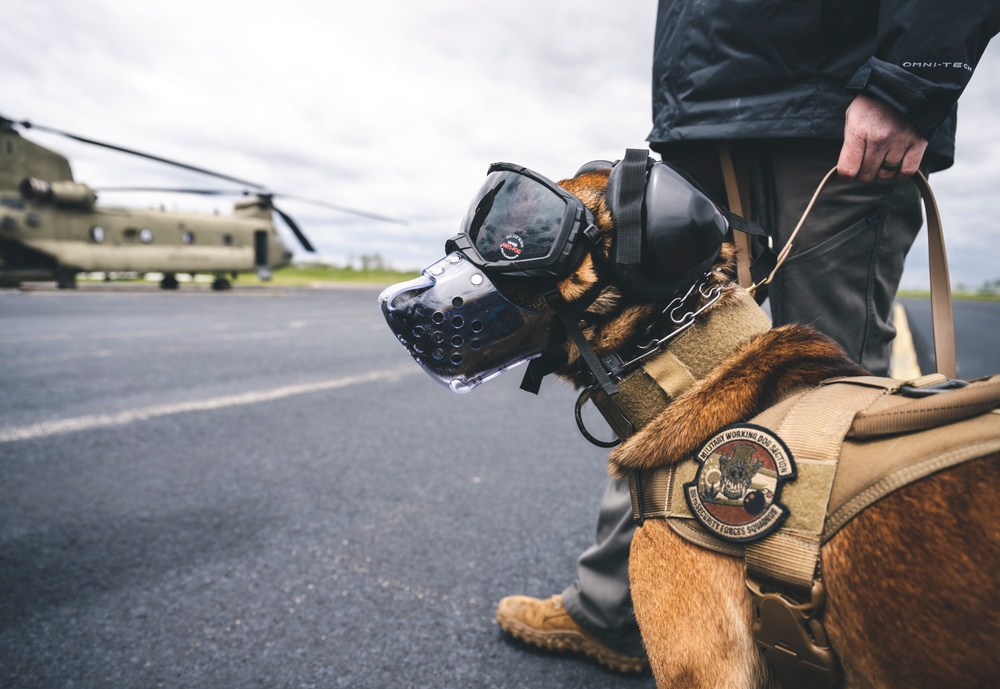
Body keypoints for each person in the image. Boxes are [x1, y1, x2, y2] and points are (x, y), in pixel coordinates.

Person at [496, 0, 1000, 674]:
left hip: (840, 110)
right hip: (705, 118)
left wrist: (910, 80)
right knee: (661, 384)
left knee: (824, 399)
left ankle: (832, 643)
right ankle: (614, 610)